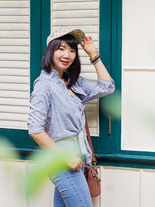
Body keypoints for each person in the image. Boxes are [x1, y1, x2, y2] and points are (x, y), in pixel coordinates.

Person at [27, 29, 115, 207]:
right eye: (61, 49)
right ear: (50, 52)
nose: (67, 55)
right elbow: (35, 129)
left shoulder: (73, 81)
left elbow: (107, 87)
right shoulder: (44, 85)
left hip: (78, 155)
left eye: (72, 50)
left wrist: (94, 55)